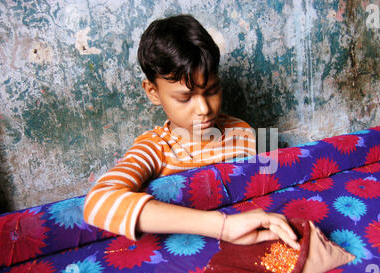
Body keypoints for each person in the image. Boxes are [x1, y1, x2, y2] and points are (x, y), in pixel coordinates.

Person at [83, 15, 300, 250]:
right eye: (185, 97)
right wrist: (223, 226)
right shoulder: (155, 148)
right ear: (153, 92)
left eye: (211, 91)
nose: (204, 109)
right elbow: (97, 202)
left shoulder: (242, 131)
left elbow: (277, 177)